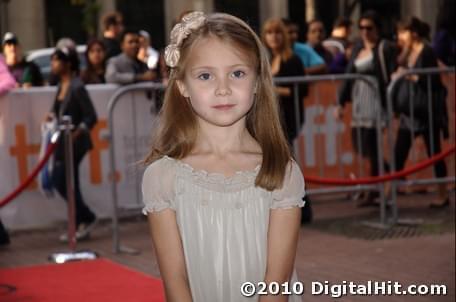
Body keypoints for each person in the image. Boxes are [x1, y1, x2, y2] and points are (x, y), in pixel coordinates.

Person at [142, 12, 305, 302]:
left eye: (237, 73)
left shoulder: (281, 171)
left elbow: (276, 284)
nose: (223, 88)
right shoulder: (162, 178)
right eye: (205, 75)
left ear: (257, 81)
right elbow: (175, 282)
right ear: (182, 86)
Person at [334, 10, 397, 207]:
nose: (364, 31)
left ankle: (384, 184)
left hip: (376, 102)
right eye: (361, 27)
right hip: (359, 102)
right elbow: (349, 74)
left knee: (372, 148)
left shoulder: (383, 47)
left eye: (369, 27)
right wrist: (340, 102)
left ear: (377, 29)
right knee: (362, 146)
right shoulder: (357, 48)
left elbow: (390, 75)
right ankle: (377, 187)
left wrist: (391, 105)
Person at [392, 17, 449, 208]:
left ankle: (443, 194)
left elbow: (432, 81)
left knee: (435, 154)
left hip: (427, 113)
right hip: (410, 114)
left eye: (403, 32)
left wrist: (411, 76)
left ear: (413, 33)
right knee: (398, 154)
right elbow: (399, 67)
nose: (400, 36)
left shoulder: (427, 51)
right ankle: (387, 197)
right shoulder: (408, 52)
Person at [47, 46, 98, 241]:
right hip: (62, 142)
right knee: (68, 183)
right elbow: (58, 110)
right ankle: (80, 222)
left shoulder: (77, 86)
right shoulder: (62, 84)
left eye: (56, 60)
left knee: (62, 181)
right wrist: (50, 116)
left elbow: (91, 115)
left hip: (75, 144)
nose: (53, 64)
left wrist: (78, 131)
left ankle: (86, 217)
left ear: (67, 63)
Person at [262, 18, 306, 146]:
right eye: (269, 33)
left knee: (286, 155)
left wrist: (274, 90)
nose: (273, 37)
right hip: (271, 117)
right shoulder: (267, 60)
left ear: (284, 35)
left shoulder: (293, 59)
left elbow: (302, 90)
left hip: (288, 117)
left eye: (277, 32)